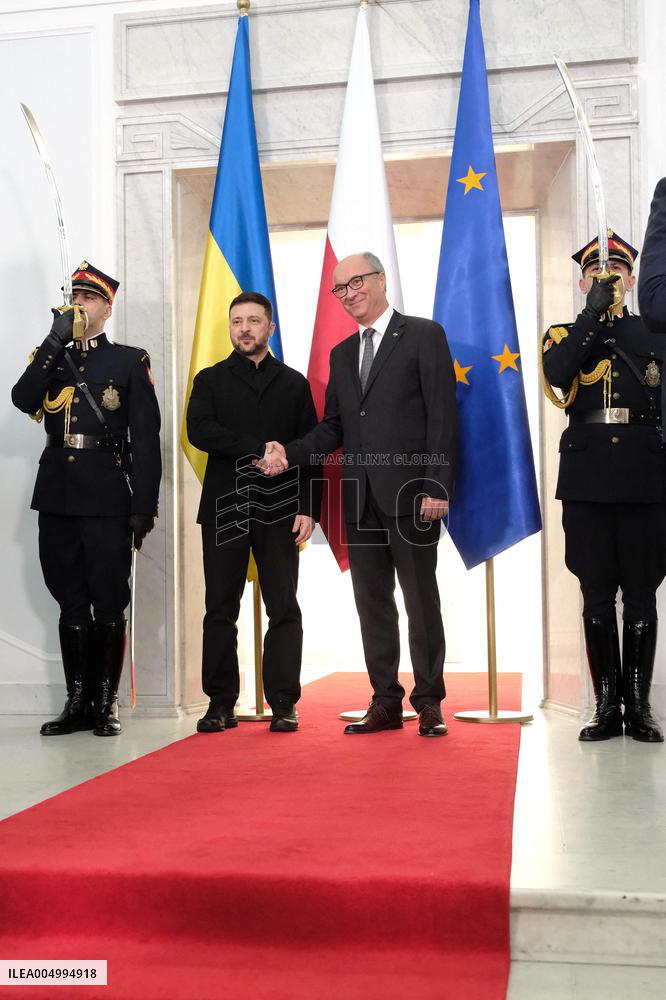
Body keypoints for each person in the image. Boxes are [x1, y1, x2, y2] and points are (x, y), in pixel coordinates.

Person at [259, 252, 457, 737]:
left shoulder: (423, 335)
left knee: (421, 602)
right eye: (340, 288)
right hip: (360, 499)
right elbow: (333, 429)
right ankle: (386, 701)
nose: (349, 293)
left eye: (357, 282)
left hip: (413, 495)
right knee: (372, 603)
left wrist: (436, 486)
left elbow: (442, 417)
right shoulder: (342, 355)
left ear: (381, 279)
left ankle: (429, 702)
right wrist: (290, 451)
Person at [12, 261, 162, 737]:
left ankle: (105, 703)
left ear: (107, 307)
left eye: (90, 297)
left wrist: (144, 507)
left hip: (106, 498)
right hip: (57, 495)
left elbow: (146, 438)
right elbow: (22, 398)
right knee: (70, 600)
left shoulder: (127, 360)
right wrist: (56, 340)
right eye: (75, 295)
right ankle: (76, 702)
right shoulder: (50, 356)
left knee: (108, 600)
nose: (80, 302)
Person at [541, 231, 665, 742]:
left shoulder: (655, 332)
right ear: (582, 280)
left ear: (632, 280)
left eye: (615, 271)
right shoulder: (564, 333)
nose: (606, 278)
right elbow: (558, 374)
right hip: (588, 475)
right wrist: (591, 315)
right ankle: (604, 706)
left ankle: (638, 706)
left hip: (644, 472)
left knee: (641, 592)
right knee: (595, 593)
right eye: (595, 272)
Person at [186, 291, 320, 734]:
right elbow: (199, 430)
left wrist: (309, 508)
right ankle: (220, 703)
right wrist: (257, 448)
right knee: (220, 607)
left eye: (254, 321)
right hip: (227, 506)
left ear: (270, 328)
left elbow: (310, 451)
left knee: (285, 606)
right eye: (237, 321)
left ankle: (283, 702)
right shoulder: (209, 380)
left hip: (282, 510)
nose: (244, 328)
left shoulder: (295, 383)